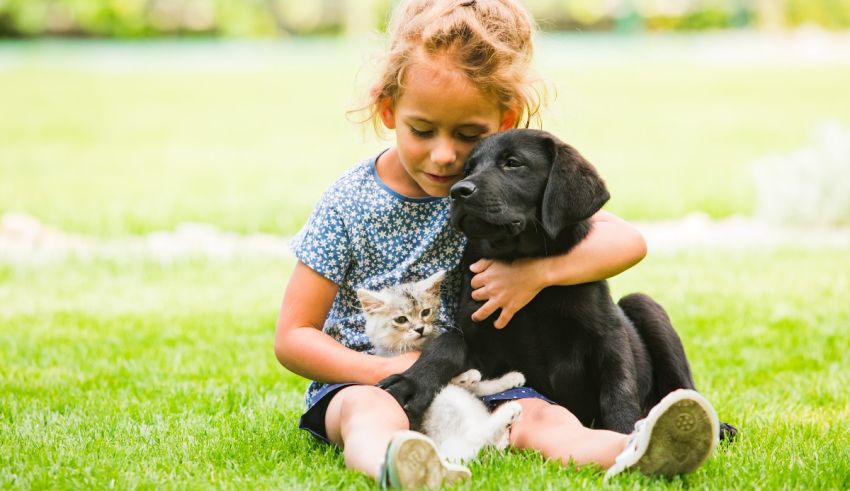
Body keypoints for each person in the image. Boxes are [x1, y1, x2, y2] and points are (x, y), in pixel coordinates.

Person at [274, 0, 720, 488]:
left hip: (482, 383)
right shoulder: (348, 204)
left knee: (542, 418)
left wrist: (536, 274)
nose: (445, 157)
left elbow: (626, 241)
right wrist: (381, 370)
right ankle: (398, 463)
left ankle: (632, 449)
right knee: (369, 411)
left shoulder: (492, 198)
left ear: (504, 122)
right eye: (422, 130)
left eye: (468, 135)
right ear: (388, 109)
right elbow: (293, 336)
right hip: (369, 379)